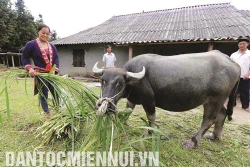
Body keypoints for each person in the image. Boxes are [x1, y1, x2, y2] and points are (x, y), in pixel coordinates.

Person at [21, 24, 60, 119]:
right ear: (38, 32)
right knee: (44, 94)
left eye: (47, 34)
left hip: (51, 74)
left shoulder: (52, 46)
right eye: (43, 33)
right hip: (40, 74)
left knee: (56, 92)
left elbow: (56, 58)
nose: (45, 35)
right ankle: (47, 114)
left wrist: (55, 69)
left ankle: (58, 110)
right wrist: (29, 68)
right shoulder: (31, 44)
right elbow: (24, 56)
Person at [230, 37, 250, 112]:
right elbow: (230, 65)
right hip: (234, 76)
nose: (241, 45)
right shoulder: (234, 54)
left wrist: (248, 74)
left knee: (244, 92)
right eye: (240, 44)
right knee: (233, 91)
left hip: (245, 76)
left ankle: (245, 106)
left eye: (243, 43)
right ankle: (232, 104)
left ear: (248, 44)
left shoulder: (249, 54)